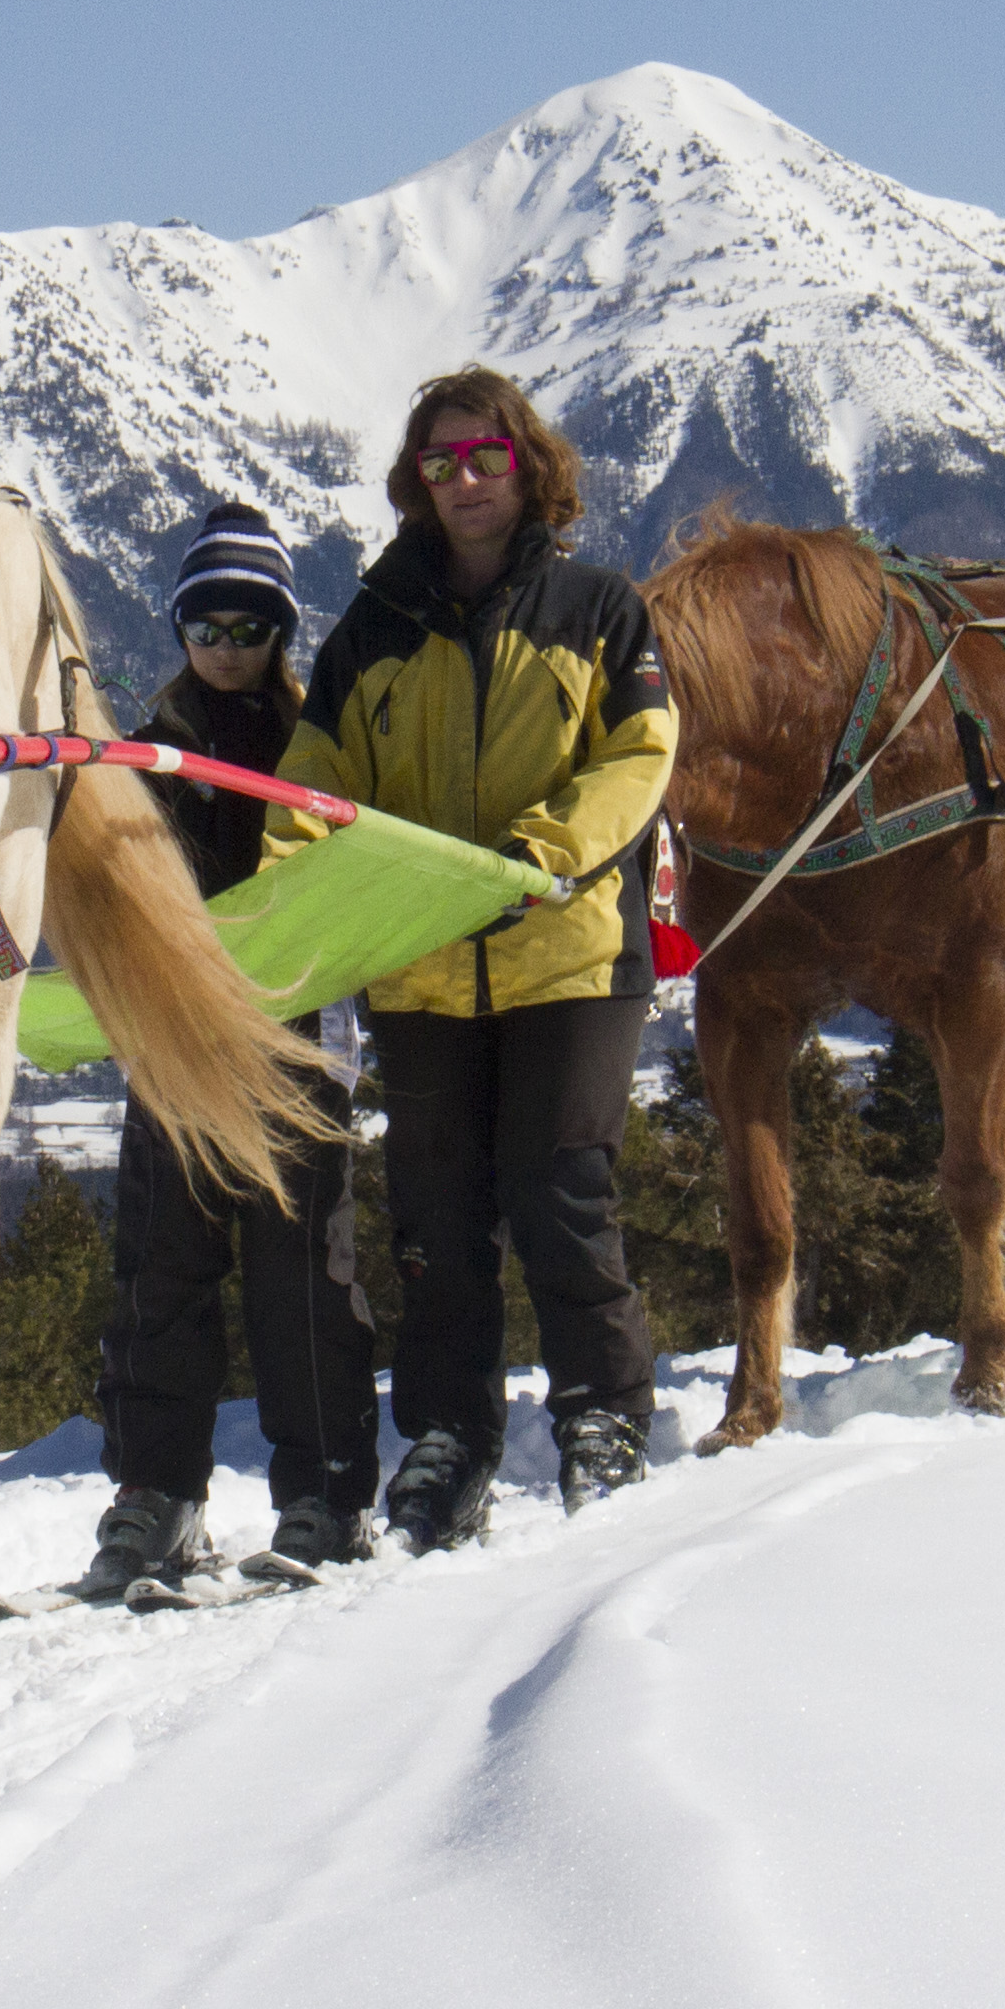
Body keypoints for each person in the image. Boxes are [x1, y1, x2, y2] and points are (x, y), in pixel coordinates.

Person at [266, 372, 678, 1552]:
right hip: (421, 968)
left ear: (525, 461)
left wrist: (535, 858)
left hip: (566, 952)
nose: (463, 482)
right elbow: (310, 781)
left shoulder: (600, 609)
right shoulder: (372, 631)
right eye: (438, 464)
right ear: (414, 483)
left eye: (483, 456)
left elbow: (638, 756)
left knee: (559, 1192)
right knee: (435, 1220)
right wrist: (303, 883)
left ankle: (602, 1412)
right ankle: (450, 1436)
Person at [63, 505, 387, 1599]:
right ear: (177, 624)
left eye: (252, 622)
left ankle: (326, 1489)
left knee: (302, 1278)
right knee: (162, 1273)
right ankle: (155, 1495)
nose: (227, 642)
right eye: (206, 619)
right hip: (177, 1044)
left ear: (282, 630)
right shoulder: (146, 747)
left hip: (297, 1039)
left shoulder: (317, 743)